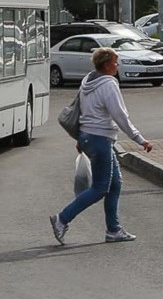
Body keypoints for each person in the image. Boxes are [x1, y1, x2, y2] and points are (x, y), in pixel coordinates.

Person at [49, 46, 151, 245]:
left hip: (88, 137)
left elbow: (81, 111)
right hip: (100, 139)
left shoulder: (88, 81)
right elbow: (120, 115)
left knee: (115, 184)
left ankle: (113, 230)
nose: (117, 65)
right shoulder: (109, 84)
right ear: (106, 65)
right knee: (100, 187)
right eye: (115, 62)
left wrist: (81, 139)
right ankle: (62, 219)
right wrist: (139, 139)